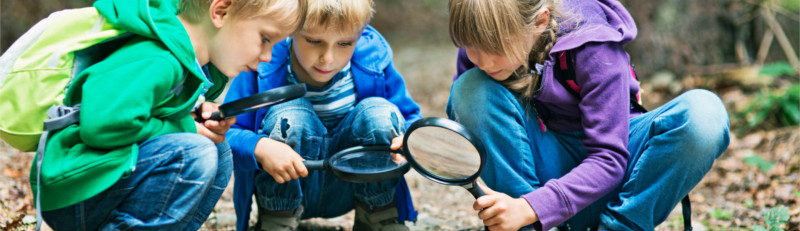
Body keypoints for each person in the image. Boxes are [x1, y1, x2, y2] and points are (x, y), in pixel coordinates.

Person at [446, 0, 731, 230]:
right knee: (470, 89)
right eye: (470, 45)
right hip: (542, 171)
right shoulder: (481, 52)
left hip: (615, 174)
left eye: (493, 48)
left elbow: (609, 158)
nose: (480, 60)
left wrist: (532, 207)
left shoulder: (592, 44)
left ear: (540, 22)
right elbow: (476, 134)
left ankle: (620, 225)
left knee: (704, 114)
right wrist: (431, 148)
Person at [29, 0, 305, 229]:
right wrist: (184, 127)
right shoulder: (158, 58)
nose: (268, 56)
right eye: (265, 38)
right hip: (78, 187)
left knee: (217, 150)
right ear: (220, 12)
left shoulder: (187, 62)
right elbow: (103, 125)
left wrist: (194, 113)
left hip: (104, 180)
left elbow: (154, 111)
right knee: (195, 152)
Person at [224, 0, 421, 230]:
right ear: (292, 27)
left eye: (345, 43)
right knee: (291, 114)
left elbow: (411, 120)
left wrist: (407, 141)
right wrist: (260, 147)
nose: (328, 58)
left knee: (379, 111)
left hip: (351, 183)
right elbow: (226, 133)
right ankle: (277, 218)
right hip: (288, 182)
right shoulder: (265, 63)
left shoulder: (373, 59)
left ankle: (377, 214)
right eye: (314, 41)